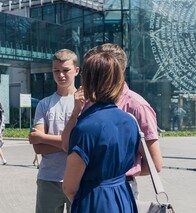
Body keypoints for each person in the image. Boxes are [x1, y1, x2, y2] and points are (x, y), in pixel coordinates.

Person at [52, 51, 143, 213]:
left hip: (94, 204)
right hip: (123, 200)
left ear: (89, 81)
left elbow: (70, 186)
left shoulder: (86, 127)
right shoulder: (129, 121)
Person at [62, 43, 162, 200]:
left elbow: (154, 163)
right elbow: (67, 145)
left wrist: (112, 174)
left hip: (118, 187)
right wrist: (75, 112)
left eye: (92, 71)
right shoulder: (87, 101)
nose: (86, 77)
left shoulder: (136, 105)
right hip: (81, 185)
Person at [28, 49, 79, 213]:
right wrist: (66, 142)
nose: (60, 74)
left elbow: (80, 143)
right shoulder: (45, 104)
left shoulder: (84, 102)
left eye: (66, 70)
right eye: (56, 70)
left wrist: (49, 140)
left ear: (76, 71)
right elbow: (37, 145)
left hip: (78, 179)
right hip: (48, 178)